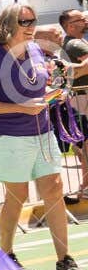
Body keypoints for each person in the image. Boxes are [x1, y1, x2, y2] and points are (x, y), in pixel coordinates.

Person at [0, 3, 85, 270]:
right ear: (8, 24)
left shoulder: (35, 49)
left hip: (42, 133)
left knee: (54, 190)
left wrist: (52, 93)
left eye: (33, 20)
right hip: (10, 136)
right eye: (24, 21)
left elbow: (42, 82)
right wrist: (22, 108)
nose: (31, 26)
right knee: (17, 196)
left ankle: (64, 259)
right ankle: (6, 256)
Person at [57, 10, 88, 200]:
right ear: (70, 26)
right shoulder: (76, 44)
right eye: (80, 19)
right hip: (83, 99)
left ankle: (85, 186)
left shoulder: (72, 43)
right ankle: (85, 187)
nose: (85, 20)